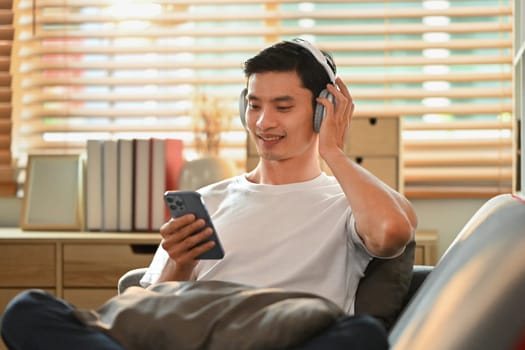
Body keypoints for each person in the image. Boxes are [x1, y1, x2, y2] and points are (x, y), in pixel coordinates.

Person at [1, 38, 417, 350]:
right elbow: (151, 309)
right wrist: (180, 264)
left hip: (278, 337)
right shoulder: (208, 199)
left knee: (361, 337)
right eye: (254, 105)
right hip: (192, 335)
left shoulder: (347, 203)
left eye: (283, 107)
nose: (263, 122)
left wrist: (333, 152)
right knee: (27, 309)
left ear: (323, 110)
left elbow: (392, 234)